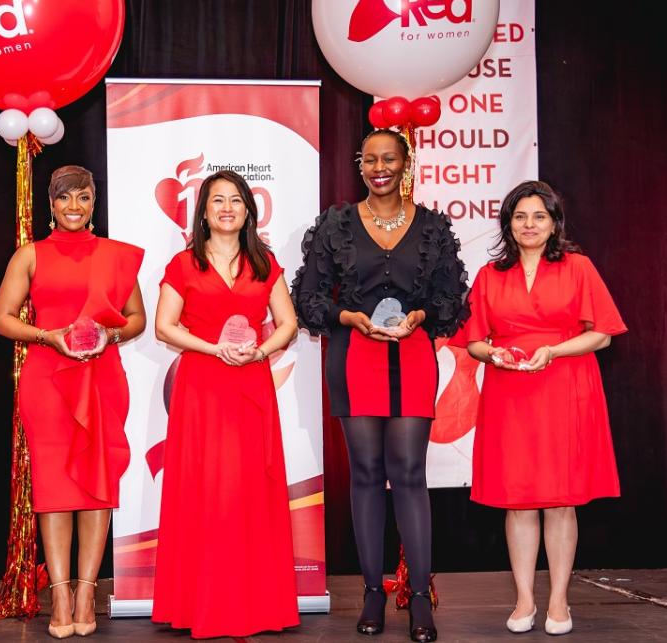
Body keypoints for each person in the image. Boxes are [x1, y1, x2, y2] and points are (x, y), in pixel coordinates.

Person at [291, 129, 469, 642]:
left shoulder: (433, 228)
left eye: (389, 158)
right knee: (366, 473)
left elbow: (449, 298)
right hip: (355, 354)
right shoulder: (336, 225)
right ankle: (372, 591)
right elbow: (310, 298)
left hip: (411, 355)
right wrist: (348, 315)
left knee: (410, 472)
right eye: (369, 159)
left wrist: (418, 314)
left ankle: (418, 599)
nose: (379, 167)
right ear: (360, 165)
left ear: (404, 163)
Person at [457, 181, 626, 636]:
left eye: (539, 217)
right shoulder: (491, 274)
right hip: (510, 393)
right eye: (520, 217)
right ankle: (524, 601)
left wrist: (554, 351)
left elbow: (603, 334)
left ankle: (558, 602)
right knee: (518, 502)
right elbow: (473, 341)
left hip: (566, 387)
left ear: (554, 224)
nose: (529, 225)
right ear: (508, 223)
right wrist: (493, 354)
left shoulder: (579, 267)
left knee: (561, 501)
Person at [0, 165, 145, 639]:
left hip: (101, 377)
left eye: (82, 197)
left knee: (97, 482)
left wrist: (109, 333)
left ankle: (86, 591)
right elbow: (0, 319)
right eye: (64, 198)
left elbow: (137, 319)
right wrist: (48, 336)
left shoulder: (115, 256)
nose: (73, 206)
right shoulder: (30, 255)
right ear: (51, 204)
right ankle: (59, 592)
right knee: (54, 487)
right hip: (47, 378)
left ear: (93, 202)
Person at [151, 169, 301, 639]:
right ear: (205, 211)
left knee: (249, 490)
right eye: (217, 200)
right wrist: (214, 348)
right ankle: (201, 606)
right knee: (205, 490)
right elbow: (163, 327)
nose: (227, 208)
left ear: (248, 210)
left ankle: (257, 605)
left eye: (236, 200)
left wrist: (259, 350)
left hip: (251, 384)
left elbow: (288, 324)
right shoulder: (184, 263)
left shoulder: (264, 262)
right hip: (203, 386)